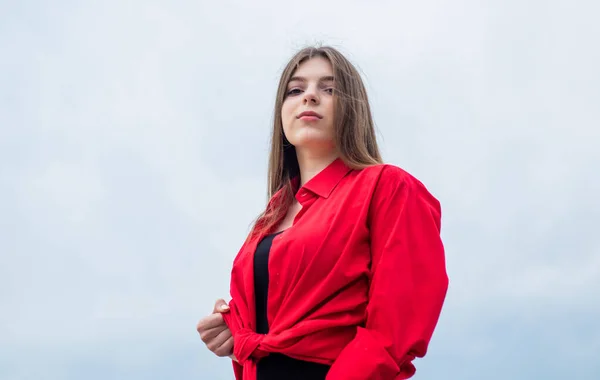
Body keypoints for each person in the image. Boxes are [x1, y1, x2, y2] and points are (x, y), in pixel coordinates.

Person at [196, 45, 449, 380]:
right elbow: (274, 328)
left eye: (329, 89)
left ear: (353, 108)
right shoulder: (267, 222)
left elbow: (394, 335)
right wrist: (232, 326)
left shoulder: (389, 187)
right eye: (295, 90)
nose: (310, 97)